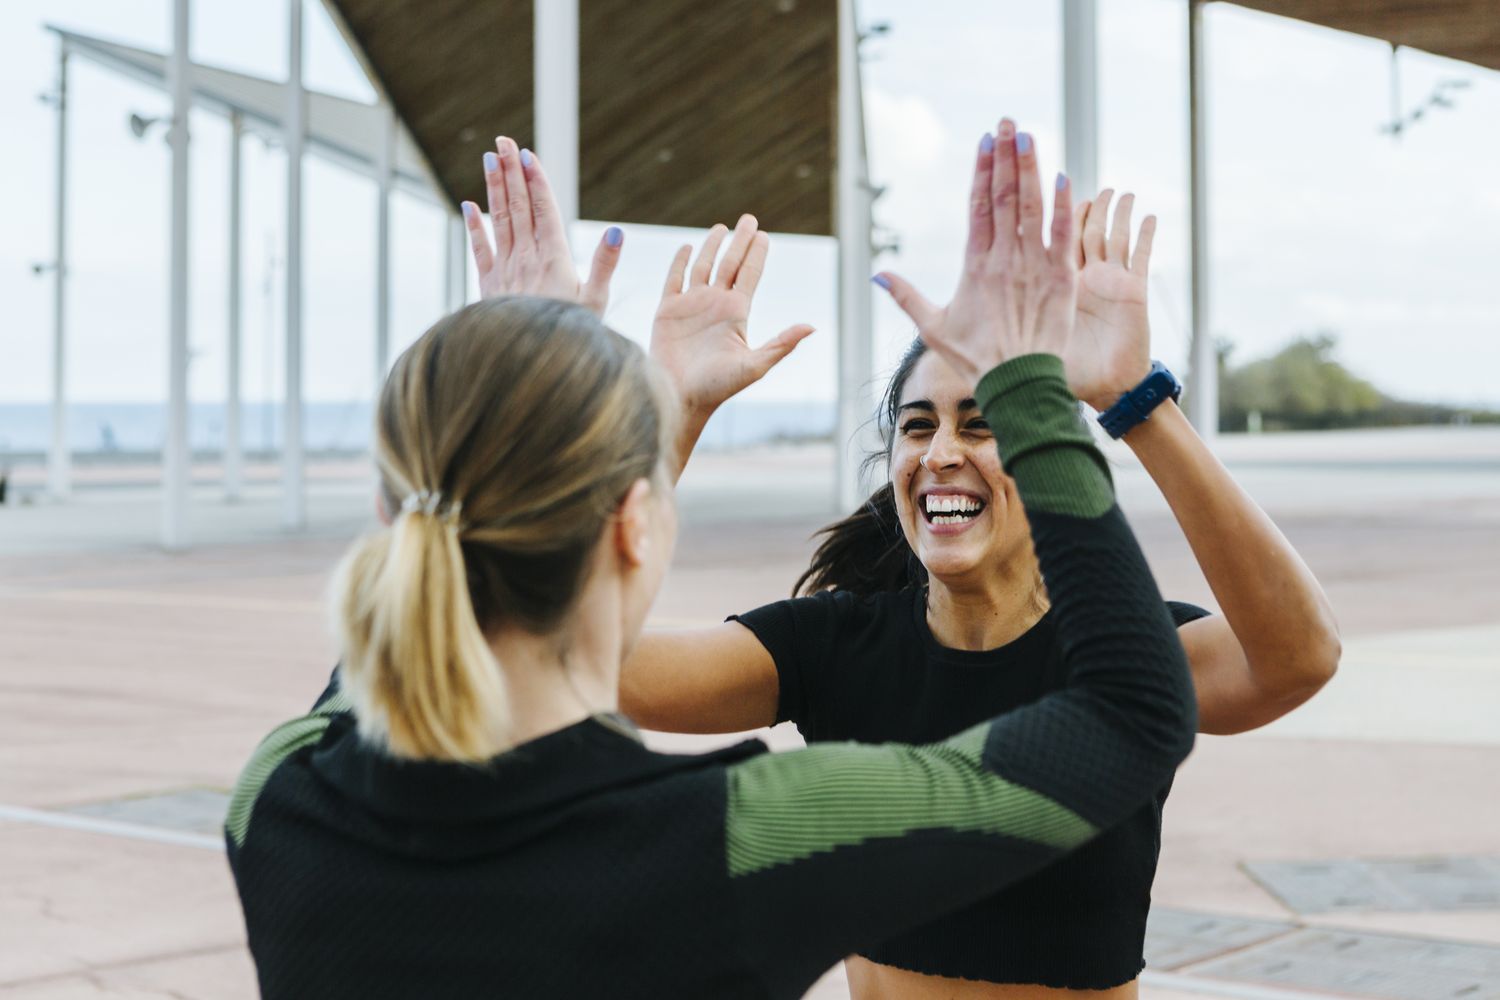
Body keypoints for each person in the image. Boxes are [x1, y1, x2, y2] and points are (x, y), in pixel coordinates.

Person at [226, 127, 1199, 999]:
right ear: (634, 526)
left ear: (392, 514)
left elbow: (376, 665)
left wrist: (524, 381)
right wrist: (1025, 381)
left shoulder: (275, 795)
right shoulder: (735, 836)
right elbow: (1132, 714)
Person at [615, 122, 1343, 997]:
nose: (943, 450)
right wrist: (671, 417)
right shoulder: (830, 649)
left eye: (985, 420)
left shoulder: (1123, 663)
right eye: (919, 426)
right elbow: (576, 661)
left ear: (1042, 453)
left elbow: (1299, 657)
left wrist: (1129, 398)